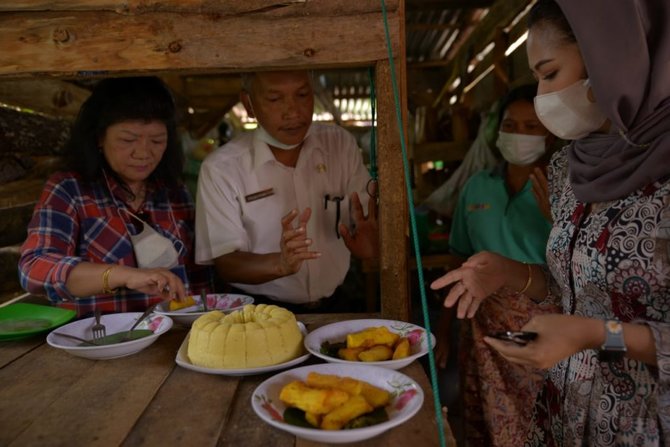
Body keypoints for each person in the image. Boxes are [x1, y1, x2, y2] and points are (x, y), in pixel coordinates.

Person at [431, 0, 670, 444]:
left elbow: (592, 321)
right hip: (567, 415)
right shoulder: (569, 169)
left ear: (608, 57)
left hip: (643, 425)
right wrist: (511, 272)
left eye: (549, 74)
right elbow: (574, 290)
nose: (543, 98)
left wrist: (597, 335)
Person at [19, 77, 211, 317]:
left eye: (157, 141)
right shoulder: (69, 189)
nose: (143, 153)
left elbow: (198, 277)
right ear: (99, 138)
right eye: (127, 140)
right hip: (100, 340)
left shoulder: (173, 192)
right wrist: (123, 275)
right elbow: (34, 269)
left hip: (173, 339)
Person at [434, 84, 557, 447]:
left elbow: (575, 267)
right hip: (481, 323)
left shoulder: (565, 188)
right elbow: (458, 259)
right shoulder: (476, 188)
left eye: (532, 127)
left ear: (551, 134)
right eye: (510, 124)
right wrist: (444, 328)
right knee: (485, 416)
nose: (518, 134)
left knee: (539, 421)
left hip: (543, 326)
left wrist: (559, 214)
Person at [195, 70, 377, 312]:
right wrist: (280, 265)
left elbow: (367, 221)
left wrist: (375, 243)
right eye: (274, 99)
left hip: (337, 303)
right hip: (261, 314)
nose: (293, 111)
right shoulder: (222, 168)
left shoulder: (339, 146)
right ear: (249, 104)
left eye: (302, 94)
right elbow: (226, 263)